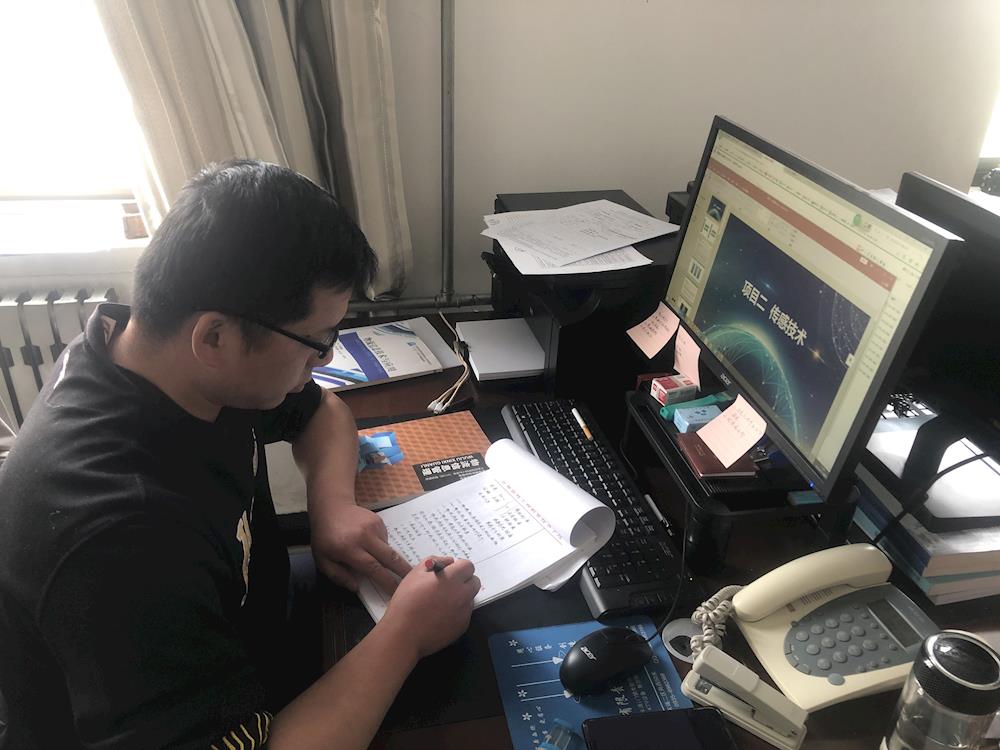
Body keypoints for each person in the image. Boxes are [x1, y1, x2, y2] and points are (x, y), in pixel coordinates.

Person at [0, 159, 480, 750]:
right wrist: (406, 634)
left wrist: (331, 507)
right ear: (215, 337)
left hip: (253, 633)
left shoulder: (148, 354)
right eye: (316, 341)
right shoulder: (119, 537)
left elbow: (323, 412)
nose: (326, 360)